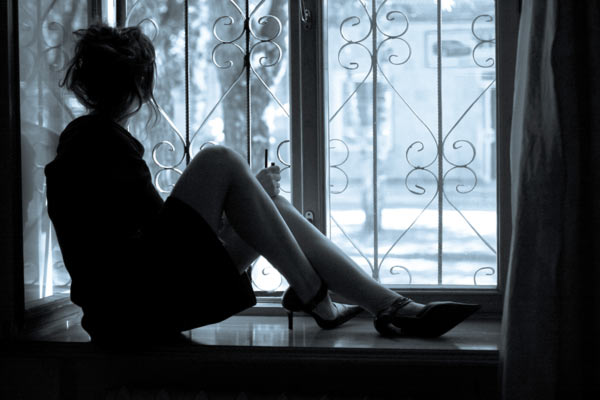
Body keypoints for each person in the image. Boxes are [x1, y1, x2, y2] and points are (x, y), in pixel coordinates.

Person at [45, 24, 478, 343]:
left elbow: (148, 243)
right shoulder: (96, 141)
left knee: (273, 205)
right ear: (142, 87)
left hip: (137, 304)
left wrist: (249, 200)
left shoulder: (87, 143)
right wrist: (238, 197)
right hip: (139, 308)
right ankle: (322, 296)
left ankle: (382, 305)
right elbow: (153, 249)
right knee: (219, 158)